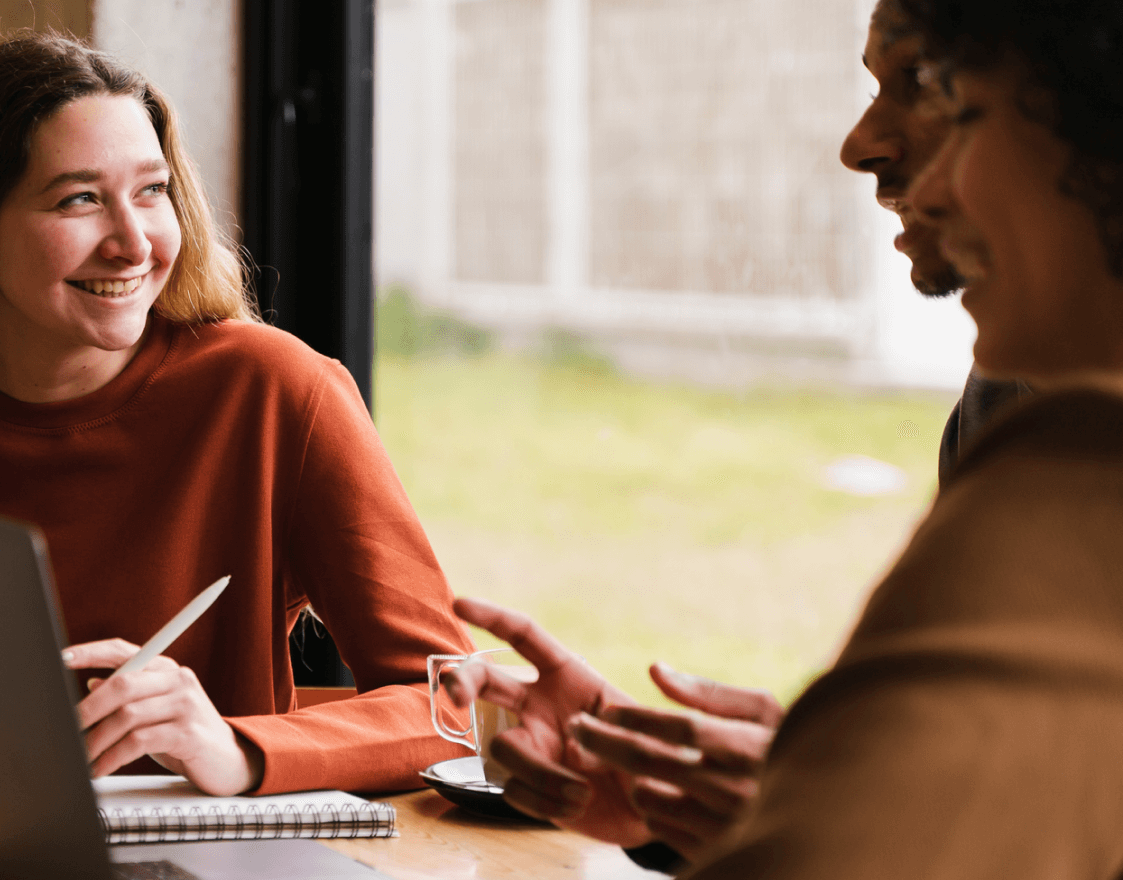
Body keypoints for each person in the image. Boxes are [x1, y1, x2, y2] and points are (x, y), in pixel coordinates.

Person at [450, 0, 1123, 874]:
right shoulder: (1010, 402)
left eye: (946, 95)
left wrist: (841, 809)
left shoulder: (1063, 464)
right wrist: (808, 785)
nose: (869, 153)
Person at [0, 34, 474, 809]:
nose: (134, 243)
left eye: (151, 190)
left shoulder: (279, 391)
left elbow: (450, 710)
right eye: (79, 198)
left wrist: (235, 748)